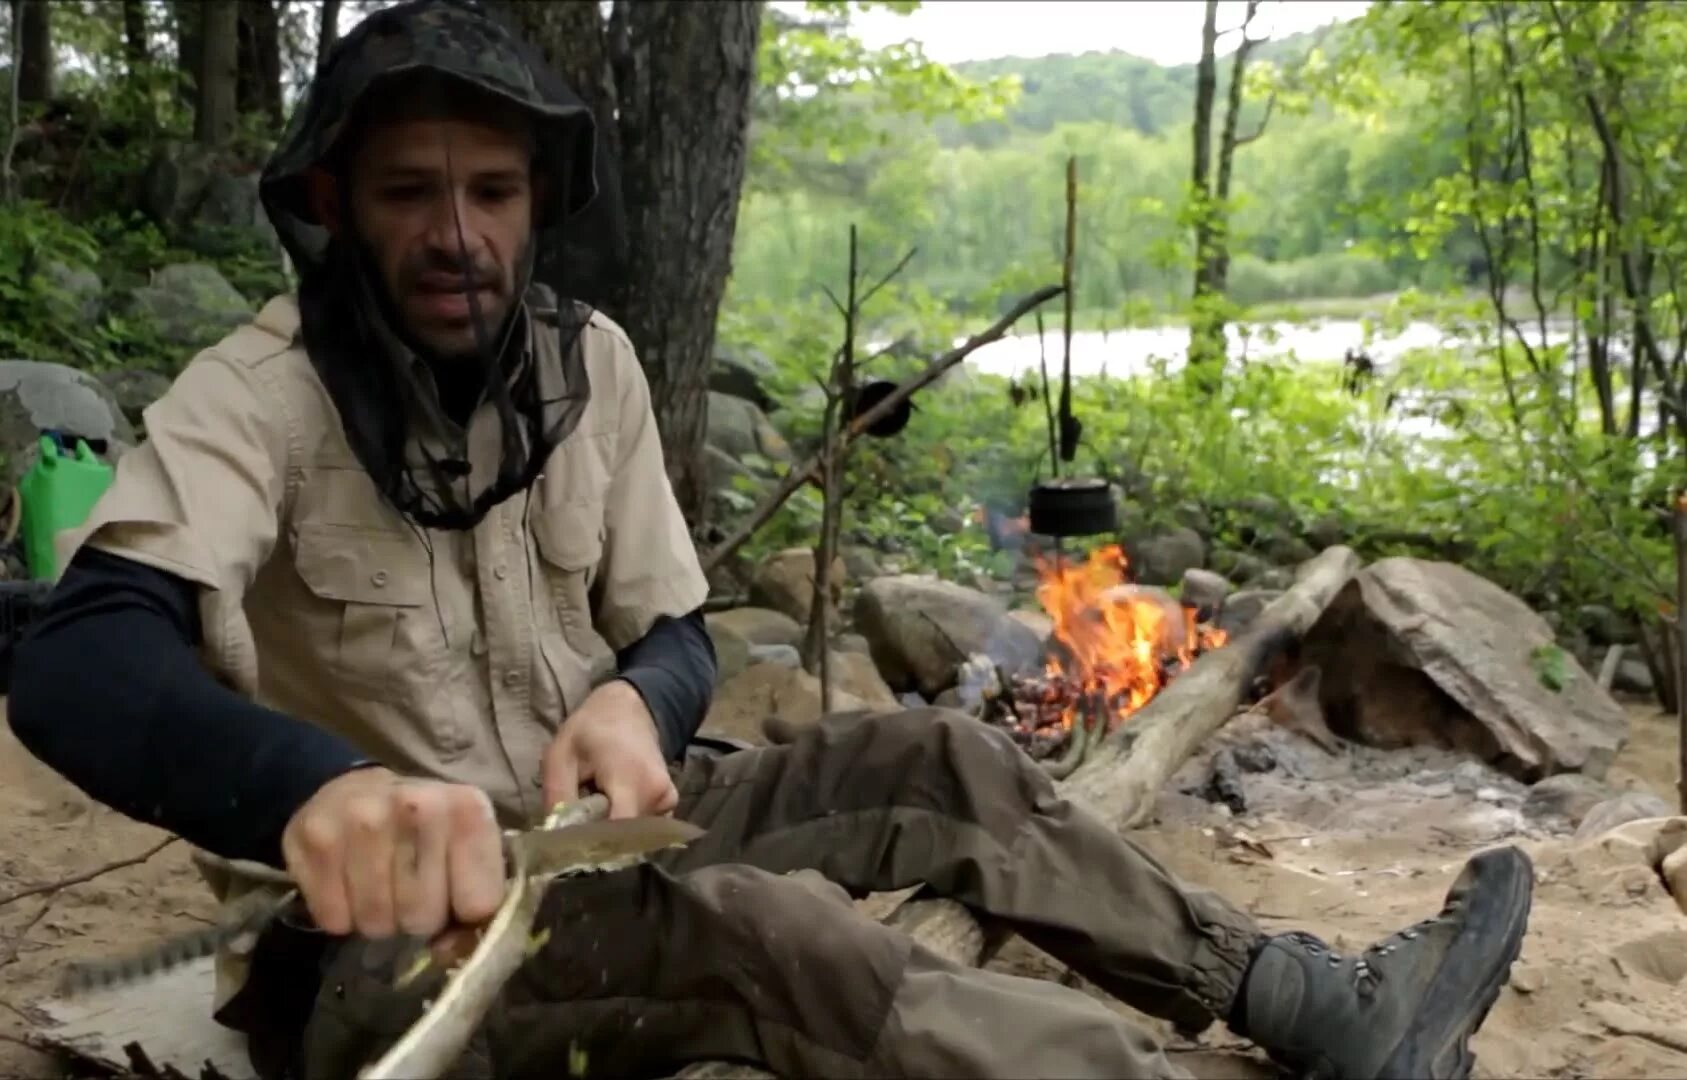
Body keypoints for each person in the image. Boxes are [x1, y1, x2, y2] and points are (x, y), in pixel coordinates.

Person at [9, 3, 1535, 1078]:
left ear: (537, 204)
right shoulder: (255, 396)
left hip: (592, 851)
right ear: (338, 205)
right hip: (386, 961)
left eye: (491, 192)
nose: (458, 234)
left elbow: (673, 635)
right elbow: (76, 658)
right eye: (412, 195)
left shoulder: (588, 365)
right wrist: (315, 786)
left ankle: (1312, 1005)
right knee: (748, 928)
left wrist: (636, 697)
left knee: (932, 761)